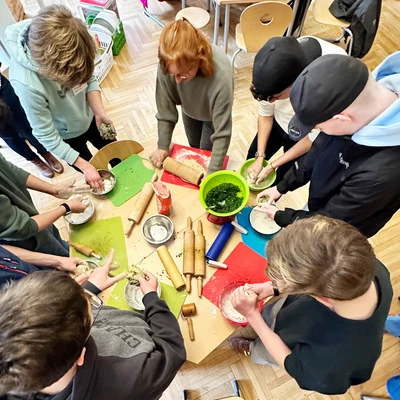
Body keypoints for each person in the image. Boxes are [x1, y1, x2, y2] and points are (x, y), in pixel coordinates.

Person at [229, 216, 392, 395]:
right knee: (275, 316)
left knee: (265, 350)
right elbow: (321, 269)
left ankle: (253, 348)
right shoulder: (364, 265)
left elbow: (290, 362)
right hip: (296, 316)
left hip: (293, 348)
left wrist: (252, 316)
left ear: (320, 298)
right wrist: (274, 288)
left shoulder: (330, 365)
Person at [0, 253, 186, 400]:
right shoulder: (133, 377)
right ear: (82, 355)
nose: (94, 305)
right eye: (92, 309)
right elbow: (172, 349)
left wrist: (87, 291)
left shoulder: (14, 376)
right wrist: (152, 299)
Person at [257, 52, 400, 238]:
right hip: (322, 203)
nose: (318, 131)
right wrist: (281, 187)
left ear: (341, 118)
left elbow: (330, 224)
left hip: (340, 231)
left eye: (317, 126)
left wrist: (286, 218)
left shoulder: (382, 175)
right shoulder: (354, 104)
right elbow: (318, 149)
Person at [4, 5, 116, 190]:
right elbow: (45, 134)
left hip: (90, 116)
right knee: (94, 172)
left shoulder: (66, 33)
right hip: (66, 136)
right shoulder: (27, 83)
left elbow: (89, 77)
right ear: (52, 70)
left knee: (117, 156)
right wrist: (85, 166)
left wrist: (99, 112)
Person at [247, 36, 347, 184]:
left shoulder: (332, 81)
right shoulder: (274, 65)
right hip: (278, 122)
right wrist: (260, 156)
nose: (272, 101)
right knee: (251, 160)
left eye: (276, 97)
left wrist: (273, 166)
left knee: (281, 179)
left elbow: (311, 139)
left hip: (306, 134)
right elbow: (266, 115)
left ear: (296, 84)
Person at [150, 18, 233, 175]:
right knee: (194, 148)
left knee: (206, 153)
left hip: (212, 117)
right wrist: (162, 146)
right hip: (189, 110)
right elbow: (165, 110)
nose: (176, 81)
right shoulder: (167, 63)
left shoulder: (221, 75)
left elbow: (222, 133)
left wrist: (212, 173)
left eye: (182, 75)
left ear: (198, 59)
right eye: (173, 74)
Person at [0, 152, 88, 256]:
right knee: (56, 256)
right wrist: (66, 207)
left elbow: (9, 170)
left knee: (57, 241)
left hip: (32, 219)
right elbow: (23, 228)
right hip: (22, 242)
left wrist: (54, 189)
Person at [0, 73, 63, 178]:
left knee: (26, 125)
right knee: (9, 137)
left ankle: (46, 153)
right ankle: (35, 160)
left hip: (2, 88)